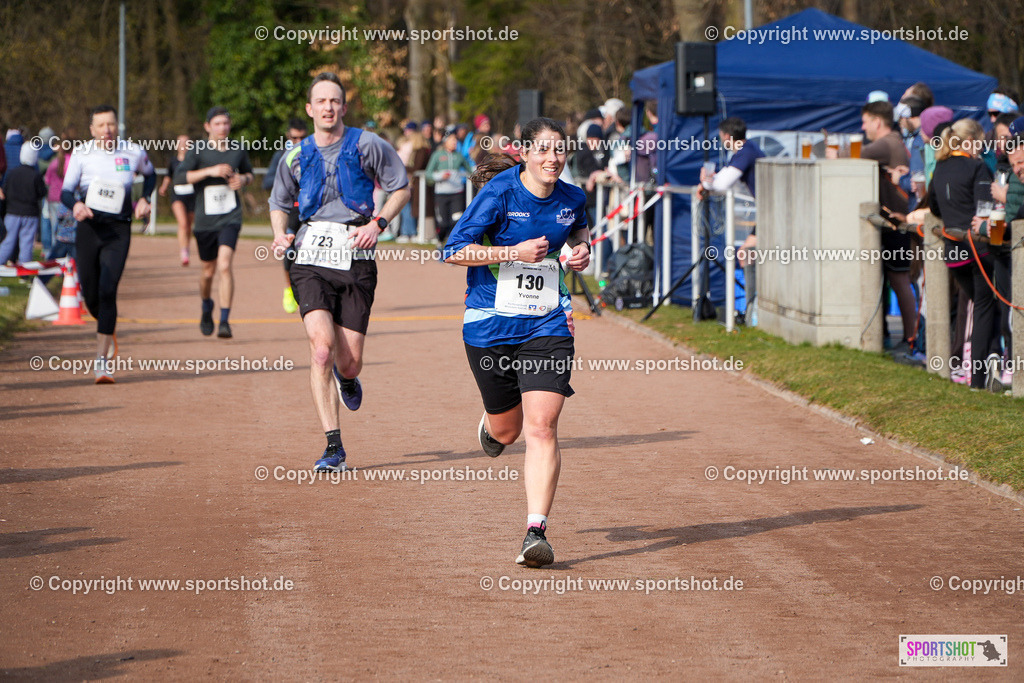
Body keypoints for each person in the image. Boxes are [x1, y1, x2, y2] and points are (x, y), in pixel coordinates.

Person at [442, 117, 590, 568]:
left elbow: (578, 230)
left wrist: (581, 252)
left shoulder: (573, 197)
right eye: (543, 150)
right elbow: (452, 251)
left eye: (559, 150)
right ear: (523, 153)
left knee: (542, 427)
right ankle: (491, 425)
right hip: (489, 325)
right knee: (509, 431)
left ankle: (535, 531)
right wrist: (512, 253)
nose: (553, 158)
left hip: (547, 324)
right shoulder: (499, 193)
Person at [269, 72, 410, 472]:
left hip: (355, 253)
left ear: (343, 108)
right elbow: (279, 201)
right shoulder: (295, 155)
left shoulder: (367, 144)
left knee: (348, 362)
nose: (328, 107)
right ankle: (334, 445)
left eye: (335, 101)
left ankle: (348, 380)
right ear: (310, 109)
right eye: (321, 101)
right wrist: (281, 234)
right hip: (310, 256)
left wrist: (377, 224)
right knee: (321, 349)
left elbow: (401, 187)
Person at [61, 105, 155, 383]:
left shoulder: (133, 151)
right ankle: (107, 325)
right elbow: (66, 191)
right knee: (90, 293)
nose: (107, 131)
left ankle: (101, 363)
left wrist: (145, 199)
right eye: (101, 126)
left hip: (118, 229)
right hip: (89, 227)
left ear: (118, 126)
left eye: (111, 125)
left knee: (107, 289)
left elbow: (150, 175)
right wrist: (76, 204)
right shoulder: (81, 154)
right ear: (92, 130)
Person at [928, 118, 996, 388]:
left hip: (953, 255)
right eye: (980, 143)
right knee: (984, 309)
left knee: (977, 307)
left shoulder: (940, 167)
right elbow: (986, 208)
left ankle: (977, 369)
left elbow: (934, 206)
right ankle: (978, 379)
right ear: (970, 141)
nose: (982, 148)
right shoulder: (977, 167)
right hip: (978, 249)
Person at [174, 107, 253, 339]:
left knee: (225, 265)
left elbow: (249, 174)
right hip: (205, 221)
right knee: (208, 271)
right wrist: (210, 171)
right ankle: (207, 306)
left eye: (226, 123)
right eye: (217, 124)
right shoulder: (197, 150)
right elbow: (180, 177)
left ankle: (225, 321)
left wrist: (243, 179)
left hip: (230, 217)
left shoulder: (238, 149)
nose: (223, 128)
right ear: (208, 126)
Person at [699, 117, 765, 268]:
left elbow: (721, 184)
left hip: (772, 210)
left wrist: (705, 182)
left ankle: (757, 292)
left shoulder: (745, 152)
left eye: (721, 137)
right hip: (769, 210)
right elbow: (722, 177)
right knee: (746, 254)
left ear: (727, 136)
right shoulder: (747, 149)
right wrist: (707, 183)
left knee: (747, 254)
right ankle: (753, 292)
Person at [262, 118, 307, 313]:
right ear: (288, 137)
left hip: (310, 213)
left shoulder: (315, 153)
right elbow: (267, 182)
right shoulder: (281, 156)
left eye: (302, 137)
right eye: (294, 137)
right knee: (289, 252)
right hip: (290, 212)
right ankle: (289, 288)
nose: (298, 141)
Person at [0, 143, 47, 265]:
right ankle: (24, 272)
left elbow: (5, 191)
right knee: (26, 244)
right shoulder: (36, 175)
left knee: (7, 241)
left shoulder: (12, 173)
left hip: (12, 213)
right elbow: (42, 192)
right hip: (30, 214)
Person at [425, 128, 472, 244]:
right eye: (452, 140)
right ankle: (440, 243)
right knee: (443, 223)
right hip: (441, 194)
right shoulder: (437, 155)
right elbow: (428, 174)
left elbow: (470, 170)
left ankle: (453, 246)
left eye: (455, 141)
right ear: (445, 141)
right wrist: (440, 176)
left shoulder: (459, 156)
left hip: (457, 193)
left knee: (456, 220)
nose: (454, 143)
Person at [158, 135, 196, 266]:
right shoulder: (173, 161)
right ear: (177, 145)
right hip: (178, 195)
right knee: (183, 223)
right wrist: (163, 187)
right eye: (181, 143)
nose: (184, 145)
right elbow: (168, 176)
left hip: (192, 195)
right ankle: (184, 251)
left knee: (189, 225)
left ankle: (187, 245)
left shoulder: (194, 161)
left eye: (186, 143)